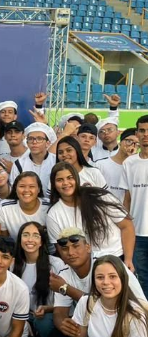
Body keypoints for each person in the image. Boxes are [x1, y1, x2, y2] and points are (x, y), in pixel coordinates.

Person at [48, 227, 145, 337]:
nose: (70, 252)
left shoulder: (105, 264)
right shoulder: (64, 274)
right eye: (65, 249)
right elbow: (59, 312)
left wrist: (65, 289)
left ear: (88, 247)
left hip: (128, 320)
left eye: (76, 246)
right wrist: (63, 325)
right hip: (96, 325)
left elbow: (107, 304)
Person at [47, 162, 134, 262]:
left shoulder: (99, 196)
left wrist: (128, 259)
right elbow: (61, 249)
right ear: (53, 184)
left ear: (76, 178)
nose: (66, 183)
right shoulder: (53, 214)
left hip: (116, 258)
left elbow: (126, 225)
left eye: (70, 177)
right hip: (84, 267)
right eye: (59, 180)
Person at [13, 221, 65, 337]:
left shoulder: (55, 264)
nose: (30, 240)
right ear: (20, 239)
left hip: (45, 314)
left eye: (36, 236)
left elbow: (64, 300)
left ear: (42, 241)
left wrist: (47, 309)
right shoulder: (13, 264)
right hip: (22, 315)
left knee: (44, 321)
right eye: (26, 235)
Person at [121, 114, 148, 297]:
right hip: (137, 234)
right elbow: (127, 199)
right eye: (142, 130)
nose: (145, 135)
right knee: (141, 282)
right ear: (137, 133)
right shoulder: (129, 163)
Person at [9, 123, 57, 196]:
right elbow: (14, 189)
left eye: (39, 139)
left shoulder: (56, 161)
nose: (34, 142)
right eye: (30, 139)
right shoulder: (19, 164)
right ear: (27, 143)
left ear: (47, 143)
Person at [0, 172, 48, 240]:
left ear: (39, 189)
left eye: (32, 186)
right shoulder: (4, 207)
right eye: (22, 186)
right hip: (16, 249)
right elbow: (4, 239)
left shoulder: (49, 206)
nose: (26, 190)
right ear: (15, 189)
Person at [96, 127, 138, 202]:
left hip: (127, 211)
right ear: (120, 142)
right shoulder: (100, 165)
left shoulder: (138, 168)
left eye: (137, 144)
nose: (132, 145)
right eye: (129, 141)